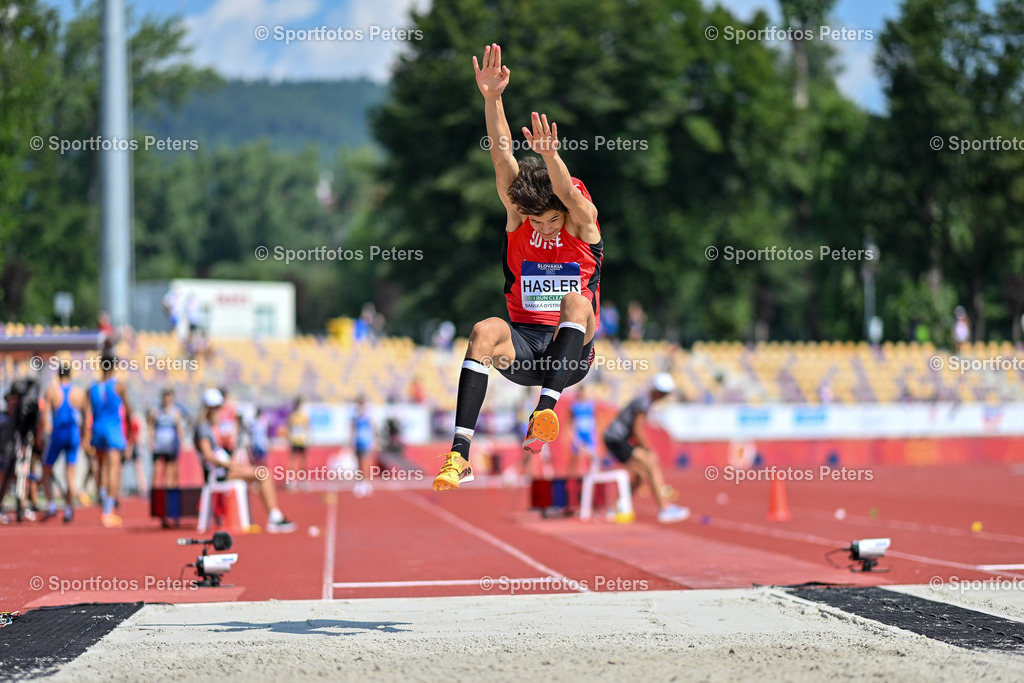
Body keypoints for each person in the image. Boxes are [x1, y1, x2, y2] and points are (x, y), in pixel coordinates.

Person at [433, 43, 603, 491]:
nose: (544, 229)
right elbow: (503, 159)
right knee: (484, 329)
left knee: (575, 299)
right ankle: (459, 455)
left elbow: (567, 197)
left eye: (551, 221)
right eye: (535, 221)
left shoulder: (583, 224)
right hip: (526, 348)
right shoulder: (518, 219)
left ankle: (545, 411)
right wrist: (492, 100)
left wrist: (551, 157)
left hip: (571, 355)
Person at [194, 388, 295, 533]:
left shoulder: (209, 426)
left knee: (262, 473)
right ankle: (274, 517)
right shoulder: (203, 427)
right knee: (263, 474)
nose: (219, 411)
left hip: (223, 469)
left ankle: (275, 515)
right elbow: (208, 455)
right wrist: (230, 463)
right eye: (216, 408)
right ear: (208, 409)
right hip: (218, 473)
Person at [602, 374, 689, 523]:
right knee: (651, 462)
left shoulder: (643, 401)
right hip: (617, 439)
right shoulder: (644, 403)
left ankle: (614, 507)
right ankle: (664, 508)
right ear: (657, 391)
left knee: (641, 475)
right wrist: (648, 449)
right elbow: (637, 429)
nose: (664, 397)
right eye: (664, 393)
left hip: (615, 439)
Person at [84, 353, 132, 528]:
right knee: (114, 470)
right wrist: (131, 436)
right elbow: (129, 410)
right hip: (113, 431)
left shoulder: (92, 388)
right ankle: (108, 511)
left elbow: (86, 413)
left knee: (102, 470)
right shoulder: (119, 386)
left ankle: (105, 503)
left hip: (97, 429)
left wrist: (85, 435)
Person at [40, 362, 88, 523]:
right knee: (70, 475)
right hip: (73, 434)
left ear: (58, 375)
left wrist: (42, 435)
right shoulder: (79, 393)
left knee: (46, 470)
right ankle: (69, 509)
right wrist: (83, 437)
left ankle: (52, 505)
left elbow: (45, 418)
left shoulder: (52, 391)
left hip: (58, 434)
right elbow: (86, 417)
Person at [149, 388, 185, 527]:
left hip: (171, 448)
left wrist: (181, 444)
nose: (167, 400)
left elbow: (179, 429)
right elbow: (151, 427)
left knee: (170, 478)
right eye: (165, 397)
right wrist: (151, 441)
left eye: (169, 397)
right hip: (159, 447)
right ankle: (158, 505)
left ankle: (171, 510)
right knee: (158, 476)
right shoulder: (156, 412)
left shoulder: (176, 413)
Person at [568, 385, 598, 477]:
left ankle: (593, 476)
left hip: (588, 433)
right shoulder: (574, 406)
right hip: (578, 433)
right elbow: (571, 422)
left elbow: (594, 419)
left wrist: (594, 433)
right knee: (577, 456)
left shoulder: (590, 405)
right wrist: (572, 435)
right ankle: (577, 477)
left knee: (593, 455)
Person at [351, 397, 375, 497]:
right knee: (358, 463)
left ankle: (366, 483)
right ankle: (359, 482)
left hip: (366, 443)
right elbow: (352, 431)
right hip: (358, 443)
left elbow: (372, 429)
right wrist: (351, 442)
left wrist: (373, 442)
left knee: (365, 463)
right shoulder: (355, 418)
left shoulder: (368, 417)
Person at [287, 397, 309, 487]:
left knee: (303, 462)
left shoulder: (304, 417)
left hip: (302, 441)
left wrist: (308, 439)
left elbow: (307, 428)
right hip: (294, 440)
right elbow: (289, 428)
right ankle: (291, 480)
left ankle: (303, 480)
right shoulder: (292, 417)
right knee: (293, 461)